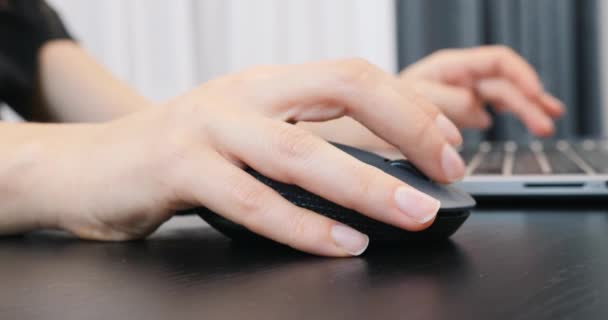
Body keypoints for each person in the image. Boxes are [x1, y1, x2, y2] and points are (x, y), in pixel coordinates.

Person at [0, 0, 563, 256]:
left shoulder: (19, 20)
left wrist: (354, 127)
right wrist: (57, 166)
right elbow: (111, 152)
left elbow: (141, 132)